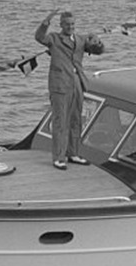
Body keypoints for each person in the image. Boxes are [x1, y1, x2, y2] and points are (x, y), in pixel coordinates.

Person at [35, 10, 104, 170]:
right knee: (61, 122)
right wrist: (46, 22)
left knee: (76, 120)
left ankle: (73, 153)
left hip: (77, 83)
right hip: (60, 85)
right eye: (67, 24)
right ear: (61, 25)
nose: (70, 27)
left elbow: (98, 51)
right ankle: (59, 157)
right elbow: (39, 37)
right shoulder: (54, 38)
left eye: (72, 24)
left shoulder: (80, 39)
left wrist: (97, 41)